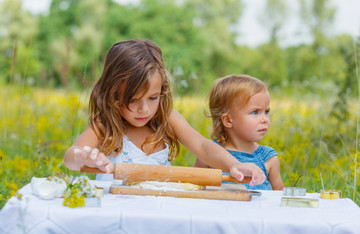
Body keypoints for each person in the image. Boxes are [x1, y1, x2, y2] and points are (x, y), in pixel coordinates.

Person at [64, 39, 265, 185]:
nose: (144, 109)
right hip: (116, 213)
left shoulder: (168, 118)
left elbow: (204, 147)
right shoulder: (104, 125)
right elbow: (70, 157)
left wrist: (234, 164)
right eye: (133, 100)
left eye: (153, 98)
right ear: (113, 94)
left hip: (160, 212)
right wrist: (83, 157)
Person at [193, 74, 284, 190]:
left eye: (266, 112)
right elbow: (192, 185)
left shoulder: (268, 158)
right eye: (255, 112)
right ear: (228, 120)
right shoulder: (209, 155)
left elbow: (278, 197)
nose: (265, 119)